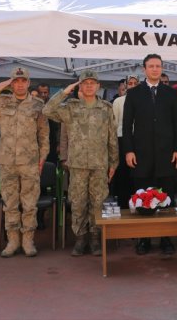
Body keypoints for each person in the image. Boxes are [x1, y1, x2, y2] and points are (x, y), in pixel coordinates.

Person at [0, 67, 49, 257]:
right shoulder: (1, 102)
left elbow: (44, 135)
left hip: (30, 162)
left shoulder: (38, 105)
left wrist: (42, 158)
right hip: (7, 161)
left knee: (30, 203)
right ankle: (13, 240)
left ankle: (28, 240)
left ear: (28, 83)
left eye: (23, 81)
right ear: (11, 83)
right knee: (10, 203)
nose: (20, 84)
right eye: (16, 81)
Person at [44, 70, 118, 256]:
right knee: (77, 202)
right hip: (77, 164)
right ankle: (80, 238)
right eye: (85, 83)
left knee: (97, 202)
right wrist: (65, 91)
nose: (89, 86)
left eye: (93, 83)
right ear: (80, 86)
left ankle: (95, 238)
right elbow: (47, 110)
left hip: (99, 164)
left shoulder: (106, 108)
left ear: (98, 86)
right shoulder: (71, 107)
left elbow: (112, 138)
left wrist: (113, 162)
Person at [123, 54, 177, 255]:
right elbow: (126, 125)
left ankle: (166, 239)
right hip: (141, 155)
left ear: (162, 68)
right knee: (142, 197)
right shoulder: (134, 94)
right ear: (144, 69)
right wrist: (129, 150)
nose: (155, 69)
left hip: (167, 155)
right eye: (151, 66)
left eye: (158, 66)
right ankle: (144, 239)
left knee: (165, 197)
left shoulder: (169, 93)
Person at [112, 75, 139, 208]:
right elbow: (114, 123)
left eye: (135, 83)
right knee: (123, 174)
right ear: (126, 85)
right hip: (122, 140)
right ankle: (123, 205)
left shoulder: (144, 100)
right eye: (130, 83)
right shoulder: (118, 101)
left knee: (137, 174)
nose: (132, 85)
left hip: (140, 141)